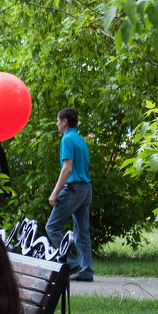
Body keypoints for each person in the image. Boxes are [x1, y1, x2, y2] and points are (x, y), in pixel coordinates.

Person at [46, 107, 93, 281]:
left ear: (65, 121)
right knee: (82, 231)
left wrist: (54, 193)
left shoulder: (67, 139)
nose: (57, 123)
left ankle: (73, 264)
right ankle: (86, 271)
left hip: (73, 189)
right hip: (86, 189)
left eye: (58, 120)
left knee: (52, 227)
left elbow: (67, 168)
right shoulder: (80, 139)